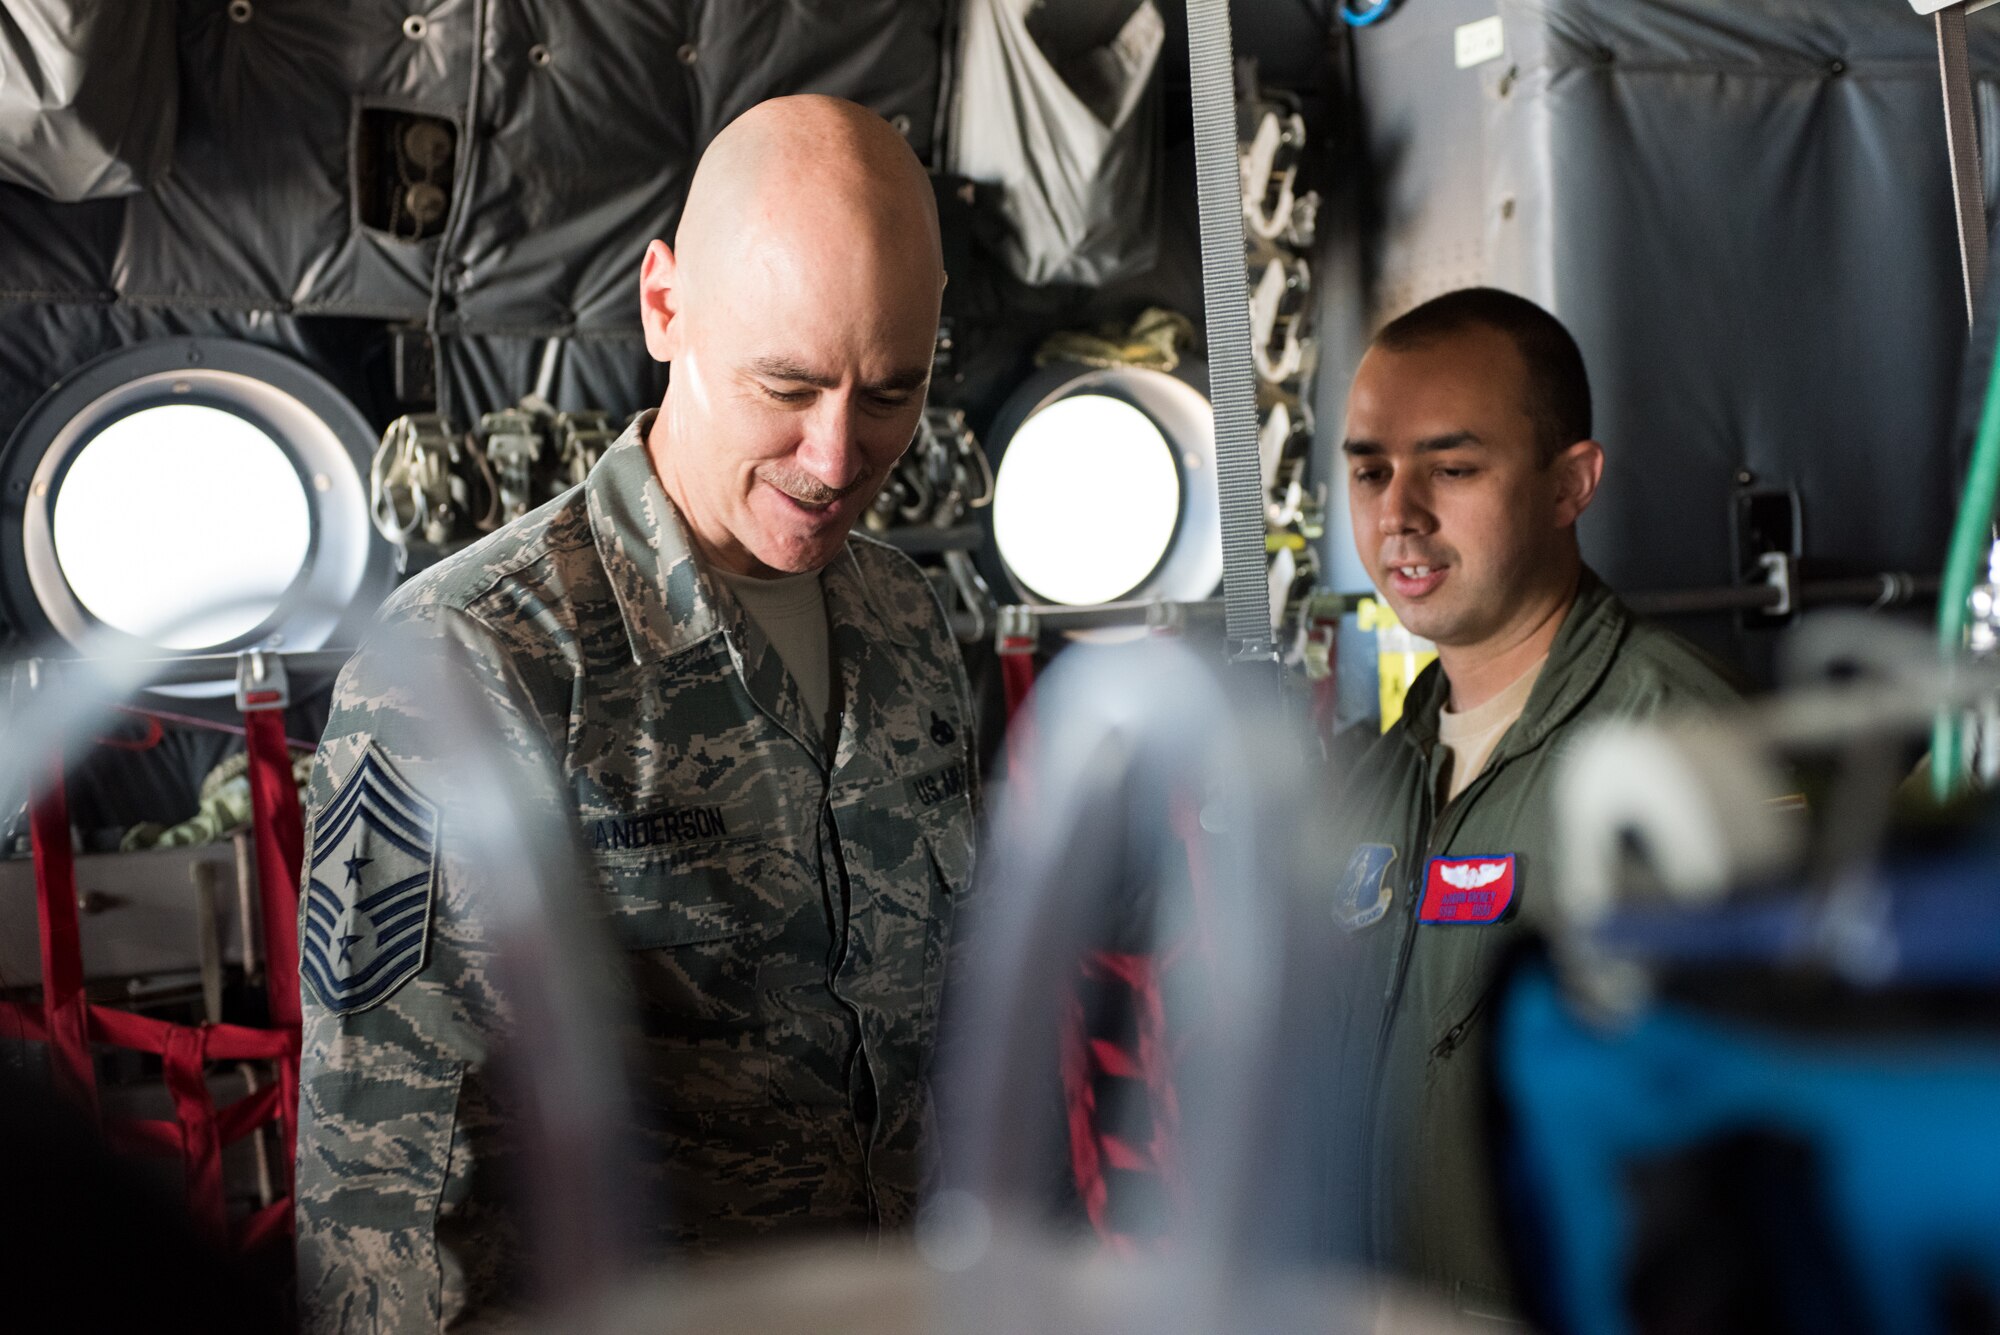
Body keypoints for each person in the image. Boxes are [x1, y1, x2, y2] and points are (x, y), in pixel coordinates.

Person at [294, 96, 977, 1331]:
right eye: (788, 385)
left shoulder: (905, 620)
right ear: (663, 306)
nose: (835, 457)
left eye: (890, 391)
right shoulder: (473, 658)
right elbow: (386, 1199)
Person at [1325, 288, 1739, 1316]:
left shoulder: (1676, 753)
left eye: (1451, 468)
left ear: (1568, 485)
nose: (1396, 513)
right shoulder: (1377, 776)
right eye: (1370, 469)